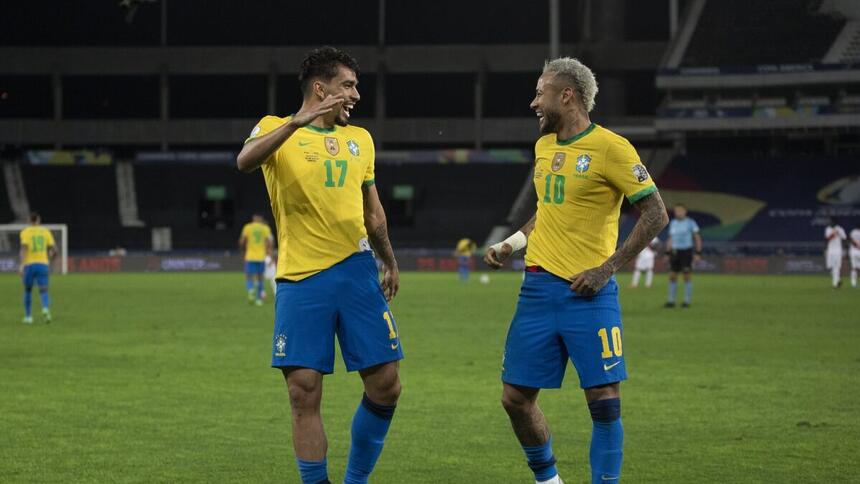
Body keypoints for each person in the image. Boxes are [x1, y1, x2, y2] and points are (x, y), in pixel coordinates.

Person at [484, 57, 668, 484]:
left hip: (589, 293)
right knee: (515, 399)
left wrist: (607, 269)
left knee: (604, 401)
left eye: (540, 92)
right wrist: (512, 244)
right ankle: (549, 481)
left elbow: (655, 214)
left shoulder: (612, 148)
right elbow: (547, 212)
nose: (534, 102)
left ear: (566, 95)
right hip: (537, 291)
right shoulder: (543, 146)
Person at [237, 46, 402, 484]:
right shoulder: (276, 128)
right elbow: (245, 160)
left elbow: (375, 214)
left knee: (386, 384)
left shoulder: (360, 139)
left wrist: (389, 261)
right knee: (302, 391)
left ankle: (356, 480)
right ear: (320, 88)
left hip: (357, 271)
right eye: (348, 85)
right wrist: (297, 122)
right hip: (301, 278)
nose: (356, 95)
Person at [18, 212, 56, 324]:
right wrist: (51, 258)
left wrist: (22, 264)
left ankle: (29, 317)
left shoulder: (25, 232)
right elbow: (54, 250)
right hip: (43, 264)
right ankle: (45, 309)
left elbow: (24, 248)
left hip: (30, 265)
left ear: (29, 220)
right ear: (39, 220)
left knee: (28, 290)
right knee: (44, 290)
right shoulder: (45, 232)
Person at [665, 204, 702, 308]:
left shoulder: (691, 223)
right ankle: (671, 301)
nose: (679, 213)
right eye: (677, 211)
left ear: (685, 212)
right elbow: (670, 238)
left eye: (681, 211)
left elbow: (697, 238)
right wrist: (667, 253)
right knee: (672, 276)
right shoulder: (673, 223)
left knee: (686, 276)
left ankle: (686, 301)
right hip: (675, 251)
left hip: (686, 251)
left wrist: (698, 253)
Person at [239, 214, 274, 305]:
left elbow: (242, 241)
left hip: (250, 255)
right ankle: (259, 299)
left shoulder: (248, 227)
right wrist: (269, 254)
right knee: (260, 277)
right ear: (261, 219)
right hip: (261, 256)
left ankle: (250, 290)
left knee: (248, 275)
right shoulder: (265, 228)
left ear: (253, 218)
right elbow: (269, 242)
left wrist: (242, 251)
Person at [825, 219, 847, 289]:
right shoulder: (828, 229)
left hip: (838, 251)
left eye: (832, 223)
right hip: (830, 250)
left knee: (836, 267)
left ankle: (835, 285)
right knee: (830, 267)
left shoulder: (840, 228)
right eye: (830, 223)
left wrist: (838, 232)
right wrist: (833, 233)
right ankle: (839, 280)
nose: (831, 224)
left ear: (835, 223)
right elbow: (828, 238)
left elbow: (844, 237)